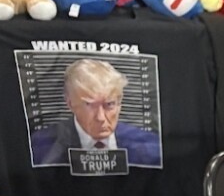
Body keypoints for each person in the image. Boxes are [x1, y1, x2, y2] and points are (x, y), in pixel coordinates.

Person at [30, 58, 161, 167]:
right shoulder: (41, 147)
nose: (100, 118)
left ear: (119, 103)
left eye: (109, 105)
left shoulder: (150, 146)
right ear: (70, 104)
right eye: (89, 105)